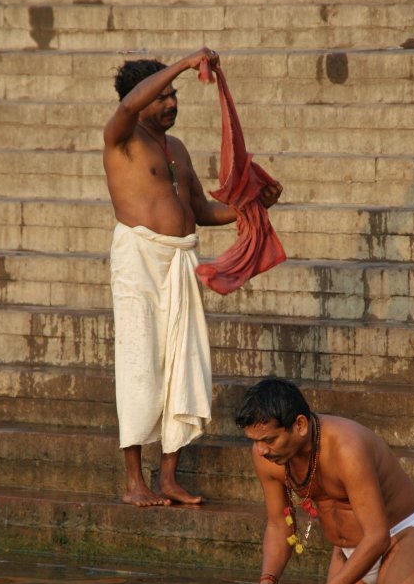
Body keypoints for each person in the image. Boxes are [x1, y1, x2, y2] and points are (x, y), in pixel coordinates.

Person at [103, 48, 282, 507]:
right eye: (162, 96)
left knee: (182, 363)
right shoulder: (121, 137)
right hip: (138, 261)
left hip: (180, 260)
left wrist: (253, 205)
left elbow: (201, 211)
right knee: (141, 363)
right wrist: (182, 64)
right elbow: (125, 109)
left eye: (175, 95)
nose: (171, 104)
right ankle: (133, 484)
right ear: (139, 100)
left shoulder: (176, 149)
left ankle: (168, 478)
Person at [235, 377, 414, 584]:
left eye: (269, 440)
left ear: (300, 425)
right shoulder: (266, 456)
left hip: (399, 538)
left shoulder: (346, 447)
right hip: (347, 551)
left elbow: (377, 537)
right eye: (254, 440)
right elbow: (278, 524)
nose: (261, 450)